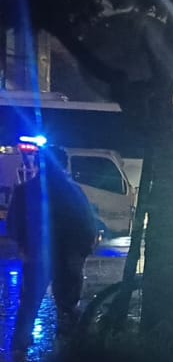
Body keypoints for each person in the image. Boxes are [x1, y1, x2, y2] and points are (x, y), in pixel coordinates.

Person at [8, 148, 101, 348]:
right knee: (67, 306)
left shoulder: (26, 190)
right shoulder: (73, 191)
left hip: (38, 256)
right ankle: (67, 348)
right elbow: (86, 224)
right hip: (67, 256)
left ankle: (19, 352)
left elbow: (13, 224)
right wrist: (82, 251)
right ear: (63, 165)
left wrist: (24, 247)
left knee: (29, 306)